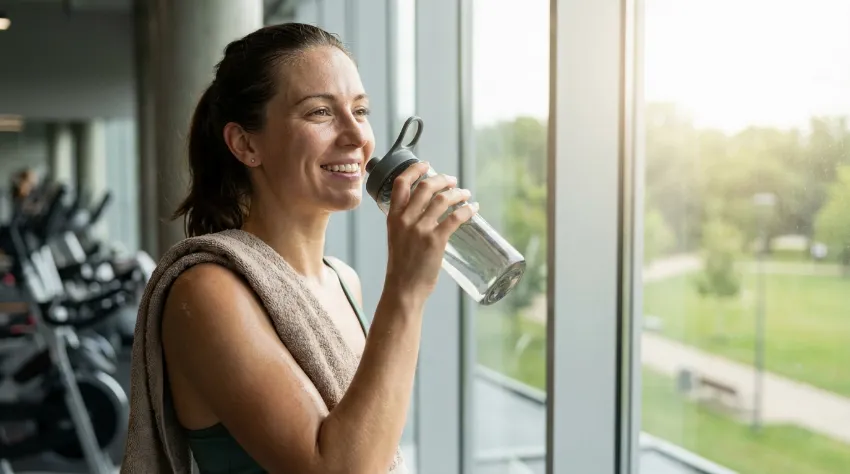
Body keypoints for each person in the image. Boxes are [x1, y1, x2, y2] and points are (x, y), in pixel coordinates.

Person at [155, 23, 478, 473]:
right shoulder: (207, 291)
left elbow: (373, 435)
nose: (356, 136)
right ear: (246, 144)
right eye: (320, 113)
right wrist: (406, 287)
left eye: (360, 110)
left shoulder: (345, 281)